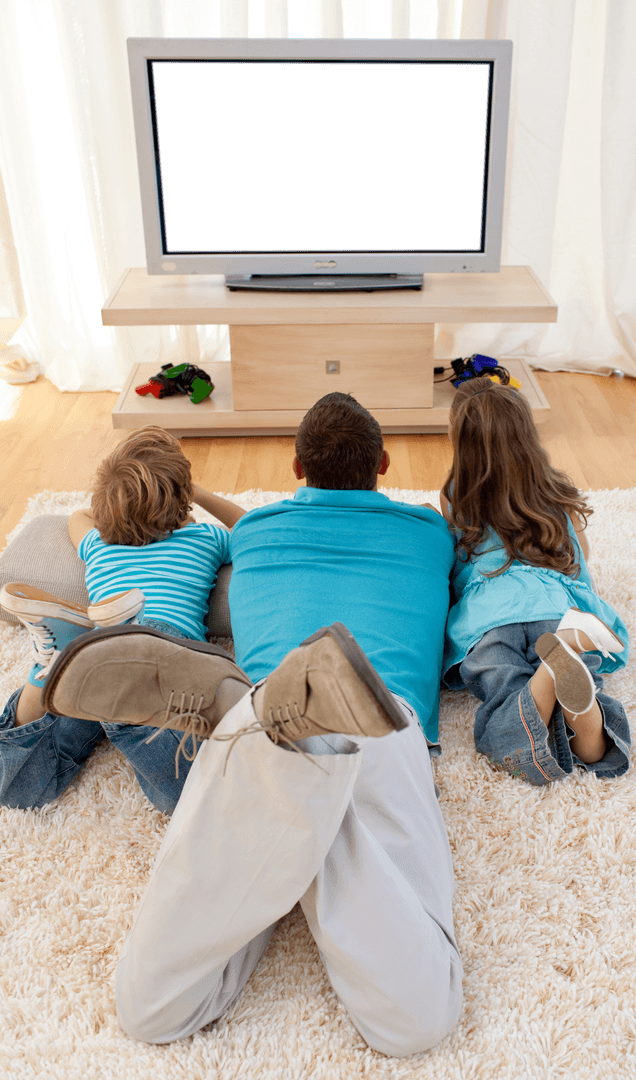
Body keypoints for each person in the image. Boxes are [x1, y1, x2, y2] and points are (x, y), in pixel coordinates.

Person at [42, 392, 463, 1057]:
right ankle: (317, 734)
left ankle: (290, 741)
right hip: (387, 721)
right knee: (417, 1025)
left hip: (255, 714)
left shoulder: (255, 534)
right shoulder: (431, 534)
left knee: (151, 1014)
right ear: (384, 464)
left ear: (295, 468)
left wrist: (198, 490)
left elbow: (231, 524)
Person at [0, 426, 248, 814]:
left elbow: (78, 515)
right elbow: (251, 529)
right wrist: (193, 491)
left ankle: (44, 674)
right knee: (188, 793)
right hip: (166, 647)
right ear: (182, 499)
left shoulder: (98, 543)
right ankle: (130, 699)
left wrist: (119, 504)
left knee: (23, 789)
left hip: (93, 649)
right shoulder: (205, 539)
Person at [440, 377, 630, 786]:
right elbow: (581, 559)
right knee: (584, 690)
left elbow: (451, 566)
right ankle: (587, 723)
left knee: (505, 703)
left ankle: (549, 673)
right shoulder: (553, 488)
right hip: (555, 608)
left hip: (490, 617)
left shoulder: (457, 494)